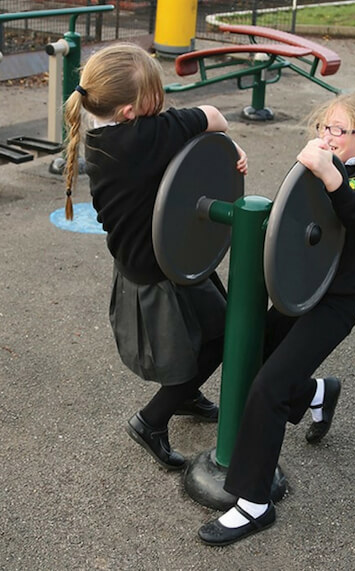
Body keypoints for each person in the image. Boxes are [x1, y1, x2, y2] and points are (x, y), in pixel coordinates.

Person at [198, 85, 355, 545]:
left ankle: (254, 503)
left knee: (269, 387)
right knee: (258, 360)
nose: (328, 135)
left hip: (335, 305)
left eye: (338, 129)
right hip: (299, 293)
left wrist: (329, 173)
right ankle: (316, 394)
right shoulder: (325, 165)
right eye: (324, 127)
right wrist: (308, 168)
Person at [63, 43, 247, 471]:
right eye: (154, 95)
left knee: (203, 329)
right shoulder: (149, 135)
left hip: (145, 260)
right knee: (219, 338)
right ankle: (152, 419)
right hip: (162, 269)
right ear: (131, 110)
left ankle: (187, 396)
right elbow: (214, 117)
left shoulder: (104, 136)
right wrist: (231, 147)